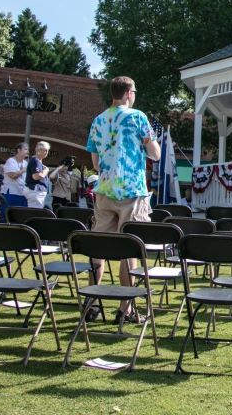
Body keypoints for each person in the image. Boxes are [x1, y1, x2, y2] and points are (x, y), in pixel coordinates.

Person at [87, 76, 161, 324]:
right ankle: (125, 308)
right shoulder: (137, 117)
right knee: (129, 247)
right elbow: (156, 154)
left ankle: (92, 302)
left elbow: (95, 162)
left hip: (105, 190)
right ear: (129, 92)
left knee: (99, 246)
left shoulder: (98, 120)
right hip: (131, 189)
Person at [24, 141, 52, 209]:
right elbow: (36, 176)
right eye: (45, 150)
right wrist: (46, 170)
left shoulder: (38, 161)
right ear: (38, 150)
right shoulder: (35, 160)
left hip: (37, 192)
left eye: (47, 150)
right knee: (35, 213)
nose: (46, 152)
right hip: (35, 192)